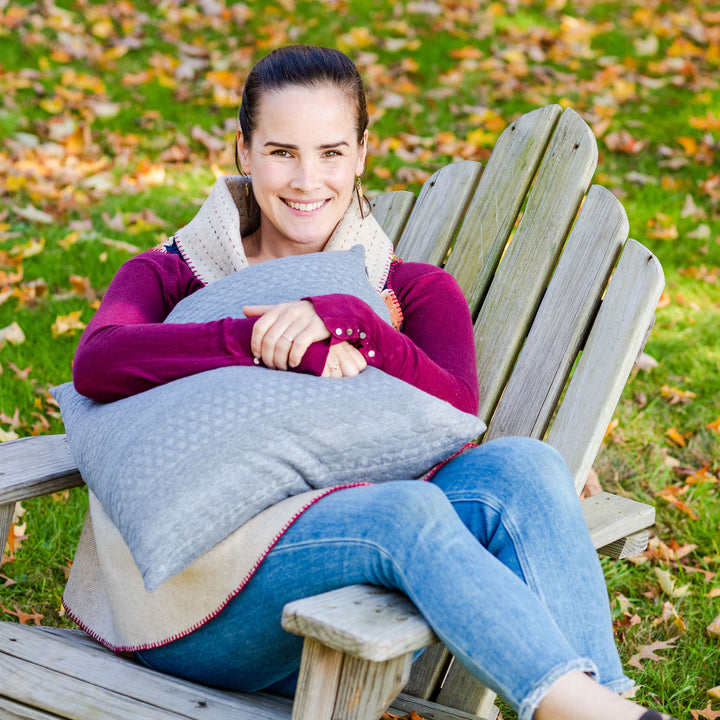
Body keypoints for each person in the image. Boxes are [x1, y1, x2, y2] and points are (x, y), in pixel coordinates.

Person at [66, 45, 674, 720]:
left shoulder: (412, 292)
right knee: (404, 512)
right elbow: (98, 362)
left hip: (347, 606)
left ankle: (610, 708)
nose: (306, 180)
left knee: (529, 466)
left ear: (362, 152)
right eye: (281, 151)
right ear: (243, 151)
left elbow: (455, 414)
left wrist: (358, 323)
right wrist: (258, 340)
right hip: (195, 610)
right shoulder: (175, 273)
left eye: (330, 153)